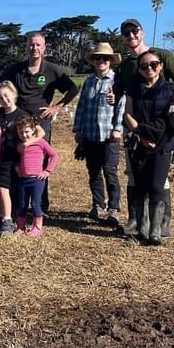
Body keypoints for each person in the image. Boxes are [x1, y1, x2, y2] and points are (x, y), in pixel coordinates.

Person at [112, 18, 174, 237]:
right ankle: (136, 221)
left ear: (142, 32)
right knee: (134, 175)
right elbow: (118, 93)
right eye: (126, 33)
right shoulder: (126, 66)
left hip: (162, 129)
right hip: (135, 128)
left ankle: (161, 224)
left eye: (134, 31)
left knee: (159, 178)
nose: (131, 36)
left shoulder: (162, 54)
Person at [0, 30, 78, 215]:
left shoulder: (52, 69)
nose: (34, 48)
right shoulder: (16, 69)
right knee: (19, 161)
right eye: (31, 45)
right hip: (19, 124)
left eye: (38, 45)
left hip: (41, 124)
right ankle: (20, 203)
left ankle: (41, 205)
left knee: (39, 163)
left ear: (44, 48)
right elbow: (0, 84)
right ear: (27, 48)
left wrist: (56, 107)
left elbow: (73, 89)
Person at [123, 51, 174, 246]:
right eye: (144, 66)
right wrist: (140, 133)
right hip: (139, 142)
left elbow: (170, 118)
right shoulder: (134, 88)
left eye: (153, 64)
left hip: (162, 143)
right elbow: (127, 114)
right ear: (139, 69)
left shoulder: (171, 89)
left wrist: (154, 136)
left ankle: (156, 230)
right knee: (140, 185)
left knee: (157, 185)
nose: (149, 69)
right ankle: (142, 228)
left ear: (161, 66)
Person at [73, 42, 125, 227]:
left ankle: (114, 208)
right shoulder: (88, 82)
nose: (101, 61)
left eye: (105, 58)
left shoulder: (117, 82)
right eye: (97, 58)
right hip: (89, 134)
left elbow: (121, 107)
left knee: (110, 172)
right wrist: (78, 129)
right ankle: (98, 204)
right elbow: (81, 107)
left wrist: (118, 128)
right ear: (93, 61)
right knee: (93, 172)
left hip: (109, 135)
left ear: (110, 61)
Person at [0, 81, 32, 235]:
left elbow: (38, 132)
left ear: (14, 95)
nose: (4, 100)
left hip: (13, 158)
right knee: (1, 187)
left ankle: (8, 220)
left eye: (6, 96)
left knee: (4, 187)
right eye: (0, 98)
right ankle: (2, 216)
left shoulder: (22, 115)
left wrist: (27, 143)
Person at [14, 115, 58, 236]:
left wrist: (47, 171)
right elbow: (17, 159)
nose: (24, 135)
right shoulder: (19, 146)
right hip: (23, 179)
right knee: (22, 203)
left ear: (33, 130)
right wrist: (17, 167)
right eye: (20, 132)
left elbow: (54, 155)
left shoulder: (41, 143)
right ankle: (20, 227)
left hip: (37, 180)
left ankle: (37, 227)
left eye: (27, 132)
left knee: (35, 203)